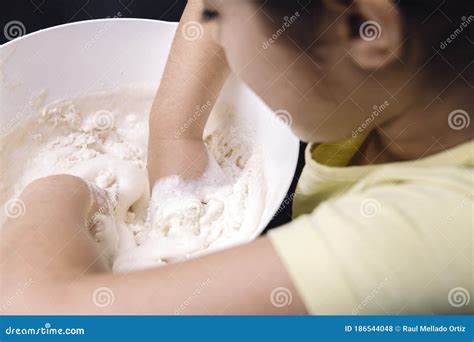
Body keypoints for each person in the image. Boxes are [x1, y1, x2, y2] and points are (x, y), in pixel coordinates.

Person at [1, 0, 472, 315]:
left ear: (363, 29)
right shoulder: (423, 84)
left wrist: (58, 190)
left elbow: (38, 316)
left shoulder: (422, 238)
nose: (207, 24)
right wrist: (173, 130)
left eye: (215, 18)